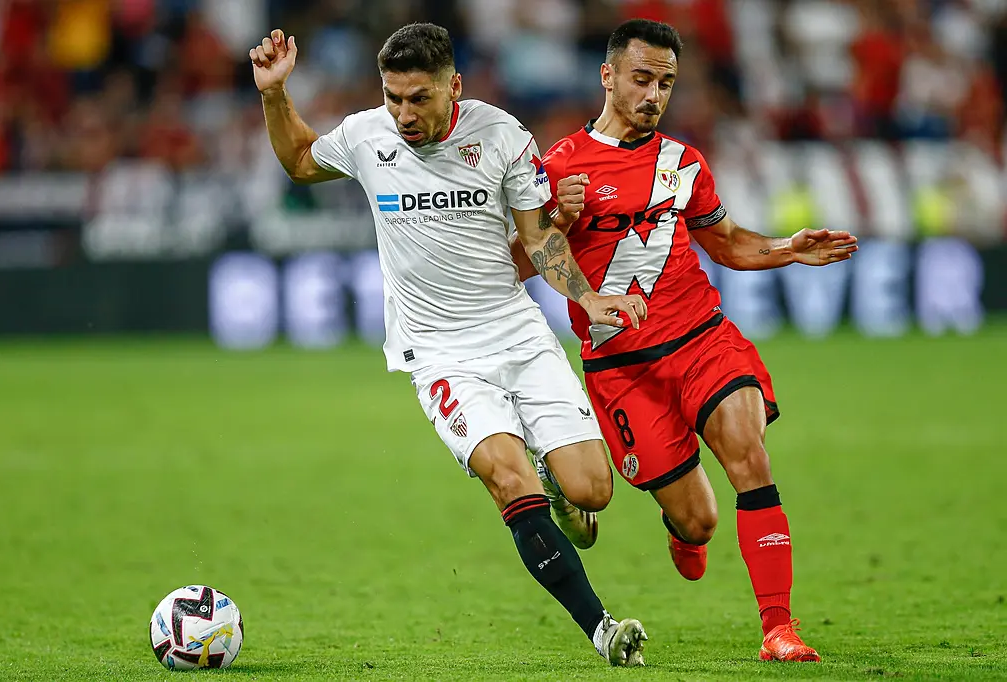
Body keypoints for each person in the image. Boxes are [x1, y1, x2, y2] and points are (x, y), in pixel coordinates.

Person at [250, 22, 649, 666]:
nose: (404, 114)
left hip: (517, 334)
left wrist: (587, 297)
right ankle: (602, 628)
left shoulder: (502, 135)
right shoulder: (366, 135)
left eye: (419, 98)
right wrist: (274, 94)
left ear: (453, 87)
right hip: (439, 355)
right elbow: (299, 161)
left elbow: (539, 238)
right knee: (508, 479)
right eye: (393, 98)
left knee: (593, 491)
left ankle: (559, 482)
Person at [512, 18, 859, 663]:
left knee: (749, 456)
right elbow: (518, 262)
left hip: (703, 340)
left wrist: (787, 248)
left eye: (665, 83)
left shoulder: (683, 163)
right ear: (608, 76)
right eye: (641, 79)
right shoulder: (557, 167)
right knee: (700, 521)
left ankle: (778, 630)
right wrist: (558, 219)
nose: (653, 96)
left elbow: (725, 243)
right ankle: (683, 528)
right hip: (623, 369)